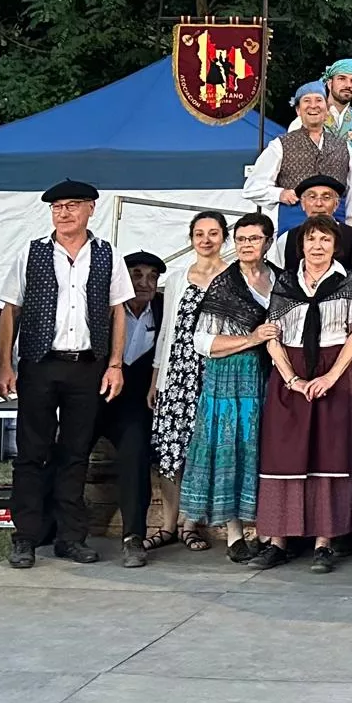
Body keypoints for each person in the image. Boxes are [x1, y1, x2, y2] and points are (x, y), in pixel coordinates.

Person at [0, 180, 134, 569]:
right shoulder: (31, 252)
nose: (64, 212)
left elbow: (117, 311)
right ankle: (25, 535)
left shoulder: (108, 254)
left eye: (73, 205)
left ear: (92, 208)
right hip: (40, 363)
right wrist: (5, 363)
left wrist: (115, 364)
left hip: (86, 365)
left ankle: (71, 537)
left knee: (76, 453)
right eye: (57, 206)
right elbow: (10, 310)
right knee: (31, 452)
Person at [248, 215, 352, 573]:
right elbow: (272, 334)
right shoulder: (286, 283)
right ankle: (278, 540)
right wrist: (290, 379)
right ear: (301, 245)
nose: (318, 246)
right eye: (311, 239)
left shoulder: (347, 282)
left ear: (336, 246)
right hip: (291, 368)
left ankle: (323, 541)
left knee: (329, 454)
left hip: (334, 369)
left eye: (325, 240)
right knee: (283, 455)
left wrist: (332, 376)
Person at [181, 213, 280, 563]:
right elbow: (202, 341)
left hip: (269, 375)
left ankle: (266, 530)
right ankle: (235, 532)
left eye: (254, 239)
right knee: (231, 447)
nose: (246, 245)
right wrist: (251, 338)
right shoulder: (224, 283)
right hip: (229, 377)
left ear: (268, 241)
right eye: (240, 239)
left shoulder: (280, 280)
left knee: (263, 449)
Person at [147, 212, 227, 556]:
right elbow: (167, 331)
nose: (206, 239)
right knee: (171, 451)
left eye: (213, 233)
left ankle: (191, 524)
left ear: (224, 236)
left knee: (201, 450)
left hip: (212, 372)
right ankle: (167, 524)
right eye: (199, 233)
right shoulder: (179, 277)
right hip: (177, 372)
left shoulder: (231, 277)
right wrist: (156, 378)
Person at [91, 250, 167, 568]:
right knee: (65, 453)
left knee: (135, 453)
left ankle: (133, 537)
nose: (145, 282)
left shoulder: (164, 311)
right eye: (137, 275)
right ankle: (56, 531)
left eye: (152, 276)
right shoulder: (103, 309)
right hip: (93, 397)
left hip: (135, 402)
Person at [244, 81, 352, 233]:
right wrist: (280, 193)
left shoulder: (344, 147)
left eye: (319, 100)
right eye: (307, 101)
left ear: (327, 109)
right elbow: (252, 188)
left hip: (335, 228)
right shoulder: (280, 145)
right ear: (298, 110)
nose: (313, 106)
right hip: (294, 226)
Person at [287, 58, 352, 184]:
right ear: (329, 83)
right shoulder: (303, 121)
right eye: (341, 79)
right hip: (314, 198)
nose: (348, 85)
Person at [268, 175, 352, 269]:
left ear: (336, 204)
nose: (319, 204)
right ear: (302, 203)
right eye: (312, 197)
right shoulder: (286, 239)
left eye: (326, 197)